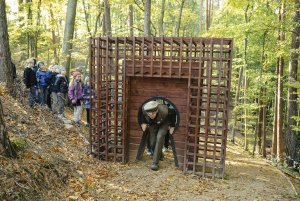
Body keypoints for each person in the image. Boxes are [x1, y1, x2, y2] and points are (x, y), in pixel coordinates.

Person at [141, 100, 175, 171]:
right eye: (149, 114)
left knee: (159, 137)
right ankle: (160, 156)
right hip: (153, 124)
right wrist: (143, 122)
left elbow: (173, 112)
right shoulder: (144, 110)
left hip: (164, 122)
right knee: (152, 142)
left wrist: (172, 126)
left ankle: (155, 163)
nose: (151, 115)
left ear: (156, 111)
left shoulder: (164, 111)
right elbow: (142, 116)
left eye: (153, 114)